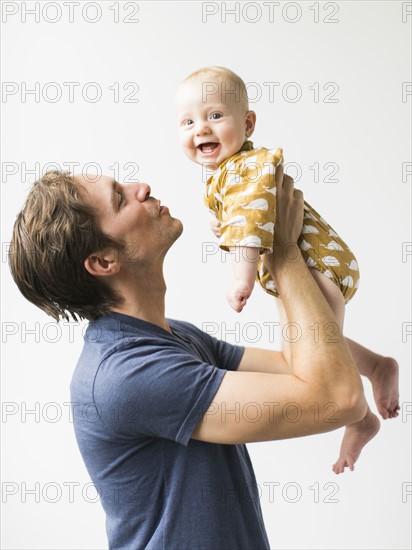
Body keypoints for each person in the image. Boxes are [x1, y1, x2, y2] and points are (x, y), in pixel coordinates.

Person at [10, 167, 368, 549]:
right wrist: (284, 252)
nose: (141, 186)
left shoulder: (170, 337)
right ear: (102, 262)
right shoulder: (127, 374)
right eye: (119, 198)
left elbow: (298, 365)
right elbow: (338, 398)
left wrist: (264, 242)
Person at [175, 65, 399, 473]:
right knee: (304, 354)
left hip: (318, 267)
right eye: (188, 121)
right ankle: (377, 369)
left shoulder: (246, 167)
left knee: (316, 363)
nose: (200, 129)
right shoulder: (229, 171)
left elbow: (252, 219)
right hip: (303, 270)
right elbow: (241, 219)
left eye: (214, 116)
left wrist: (240, 276)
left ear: (248, 123)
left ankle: (361, 419)